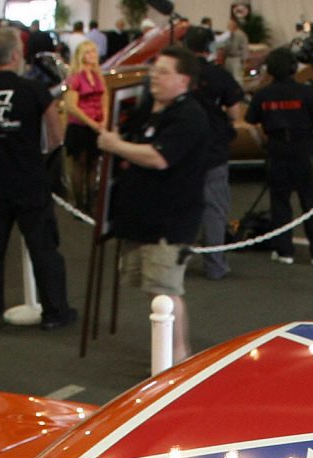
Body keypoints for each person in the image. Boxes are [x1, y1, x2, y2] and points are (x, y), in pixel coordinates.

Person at [0, 25, 76, 334]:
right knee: (44, 248)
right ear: (15, 55)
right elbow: (55, 135)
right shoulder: (34, 91)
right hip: (28, 182)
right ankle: (55, 312)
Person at [96, 46, 210, 362]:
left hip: (170, 221)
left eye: (163, 72)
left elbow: (159, 158)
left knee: (166, 292)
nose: (154, 77)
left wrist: (116, 145)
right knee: (155, 289)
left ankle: (177, 358)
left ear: (183, 80)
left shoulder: (189, 116)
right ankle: (168, 355)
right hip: (143, 217)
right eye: (153, 71)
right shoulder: (151, 109)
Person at [245, 48, 313, 266]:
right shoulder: (308, 93)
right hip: (304, 150)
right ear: (293, 68)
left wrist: (263, 142)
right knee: (311, 203)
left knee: (280, 202)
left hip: (277, 150)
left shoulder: (262, 95)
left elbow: (251, 123)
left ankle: (285, 252)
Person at [182, 27, 244, 283]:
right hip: (214, 150)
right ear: (209, 48)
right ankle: (215, 265)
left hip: (182, 151)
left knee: (182, 208)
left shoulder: (179, 75)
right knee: (214, 209)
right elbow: (235, 114)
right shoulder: (220, 76)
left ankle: (176, 264)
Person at [62, 38, 107, 209]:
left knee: (94, 162)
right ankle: (79, 203)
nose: (92, 55)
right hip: (79, 126)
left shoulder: (98, 77)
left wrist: (103, 120)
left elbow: (104, 99)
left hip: (96, 125)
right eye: (88, 52)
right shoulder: (75, 78)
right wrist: (91, 123)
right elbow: (71, 106)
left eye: (94, 52)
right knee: (80, 163)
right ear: (81, 56)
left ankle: (91, 201)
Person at [219, 15, 249, 83]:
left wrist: (245, 61)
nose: (228, 26)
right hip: (228, 58)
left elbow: (245, 48)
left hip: (236, 58)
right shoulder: (227, 34)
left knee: (237, 78)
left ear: (235, 25)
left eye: (230, 24)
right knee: (228, 77)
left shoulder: (241, 35)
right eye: (228, 24)